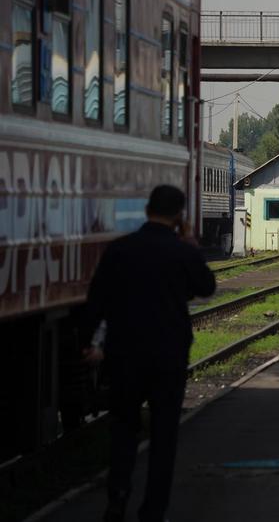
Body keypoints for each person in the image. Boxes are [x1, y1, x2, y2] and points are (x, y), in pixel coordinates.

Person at [83, 185, 216, 522]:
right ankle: (153, 510)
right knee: (164, 435)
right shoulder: (180, 251)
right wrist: (191, 246)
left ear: (147, 210)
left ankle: (117, 497)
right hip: (167, 356)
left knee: (123, 429)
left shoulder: (120, 249)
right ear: (179, 216)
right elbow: (206, 288)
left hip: (124, 354)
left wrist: (90, 343)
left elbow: (96, 300)